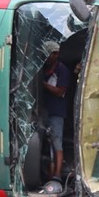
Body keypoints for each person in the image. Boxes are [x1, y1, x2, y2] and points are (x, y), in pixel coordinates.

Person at [41, 40, 71, 183]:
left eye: (50, 54)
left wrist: (43, 85)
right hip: (43, 111)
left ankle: (57, 174)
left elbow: (60, 91)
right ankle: (49, 173)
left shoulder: (62, 70)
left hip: (56, 112)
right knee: (45, 143)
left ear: (55, 54)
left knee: (56, 143)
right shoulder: (43, 69)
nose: (47, 58)